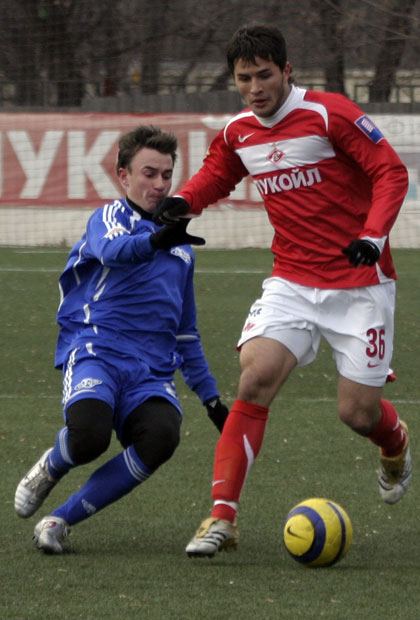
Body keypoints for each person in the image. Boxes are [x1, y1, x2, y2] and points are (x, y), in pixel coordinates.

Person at [153, 23, 411, 558]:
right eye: (244, 78)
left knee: (357, 413)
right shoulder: (238, 132)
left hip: (360, 283)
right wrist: (184, 203)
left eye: (264, 75)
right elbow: (217, 174)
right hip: (292, 280)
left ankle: (395, 443)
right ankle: (222, 518)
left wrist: (372, 235)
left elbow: (390, 173)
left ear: (287, 71)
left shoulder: (329, 114)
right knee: (255, 378)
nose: (254, 88)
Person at [14, 124, 229, 554]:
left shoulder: (182, 250)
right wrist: (157, 239)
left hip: (150, 372)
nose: (159, 184)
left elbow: (185, 333)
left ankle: (59, 521)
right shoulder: (110, 218)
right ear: (123, 175)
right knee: (89, 437)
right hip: (97, 351)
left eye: (166, 175)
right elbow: (115, 252)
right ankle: (51, 465)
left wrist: (211, 401)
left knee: (162, 437)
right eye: (149, 173)